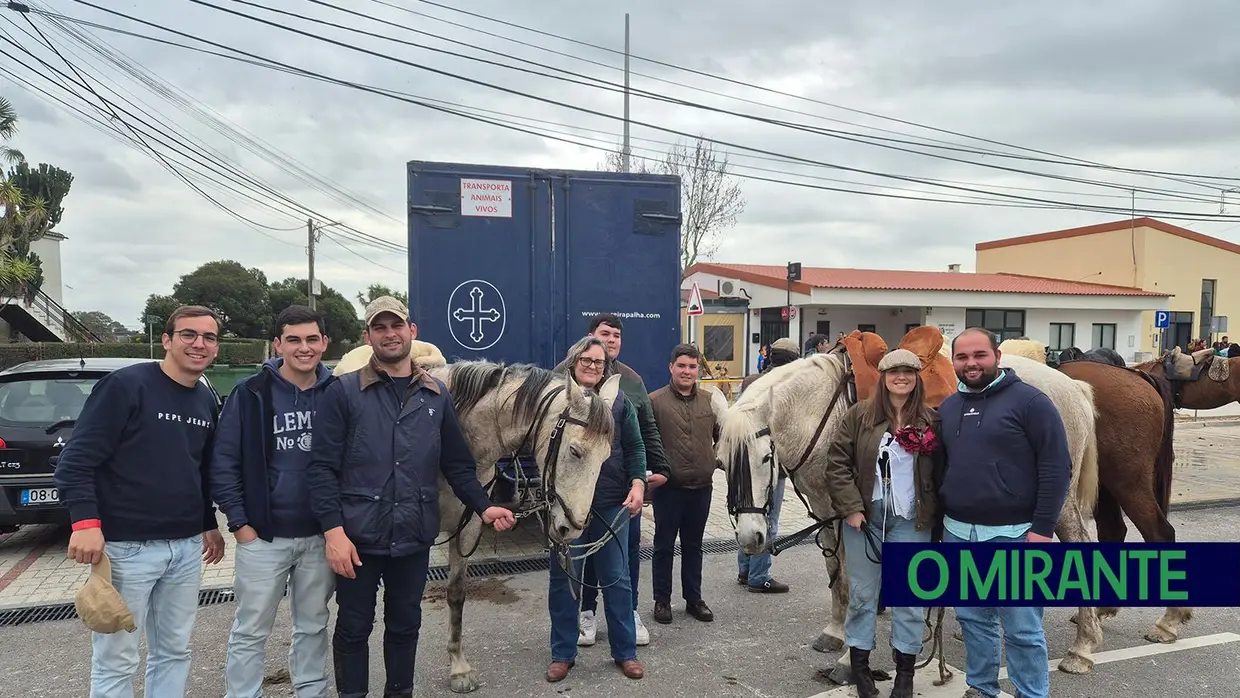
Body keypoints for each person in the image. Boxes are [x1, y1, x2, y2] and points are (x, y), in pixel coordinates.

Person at [307, 296, 516, 698]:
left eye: (396, 325)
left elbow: (458, 465)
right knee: (353, 628)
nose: (390, 334)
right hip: (357, 538)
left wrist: (485, 505)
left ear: (412, 332)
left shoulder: (436, 395)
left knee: (405, 626)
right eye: (380, 328)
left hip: (413, 536)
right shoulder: (343, 392)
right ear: (368, 336)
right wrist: (333, 531)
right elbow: (321, 469)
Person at [53, 304, 228, 698]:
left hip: (185, 550)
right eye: (188, 334)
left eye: (209, 337)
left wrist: (207, 523)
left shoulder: (204, 399)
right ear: (167, 340)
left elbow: (197, 470)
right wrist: (85, 523)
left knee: (174, 651)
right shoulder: (126, 386)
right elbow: (75, 461)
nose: (199, 343)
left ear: (216, 348)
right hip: (127, 547)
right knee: (117, 659)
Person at [210, 305, 336, 698]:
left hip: (321, 536)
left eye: (312, 339)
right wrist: (241, 525)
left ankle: (311, 691)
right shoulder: (250, 394)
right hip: (263, 537)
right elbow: (224, 461)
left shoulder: (339, 392)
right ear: (278, 344)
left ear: (324, 343)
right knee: (250, 629)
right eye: (294, 340)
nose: (304, 348)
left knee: (314, 624)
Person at [939, 328, 1071, 698]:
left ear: (996, 356)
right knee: (972, 620)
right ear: (954, 361)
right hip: (959, 533)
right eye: (963, 357)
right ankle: (981, 688)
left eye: (979, 355)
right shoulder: (950, 407)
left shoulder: (1031, 402)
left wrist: (1042, 529)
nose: (971, 364)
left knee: (1023, 629)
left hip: (1014, 534)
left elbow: (1057, 467)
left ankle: (1031, 693)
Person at [822, 349, 944, 698]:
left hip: (912, 519)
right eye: (894, 371)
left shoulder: (931, 421)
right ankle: (860, 667)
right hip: (866, 520)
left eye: (908, 371)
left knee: (909, 596)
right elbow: (838, 464)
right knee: (862, 595)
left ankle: (904, 673)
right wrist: (851, 508)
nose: (900, 377)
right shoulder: (859, 416)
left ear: (917, 377)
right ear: (883, 377)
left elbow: (940, 472)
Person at [554, 312, 670, 648]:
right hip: (574, 495)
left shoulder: (629, 383)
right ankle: (584, 615)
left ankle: (627, 619)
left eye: (616, 335)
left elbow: (642, 431)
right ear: (587, 343)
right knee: (570, 568)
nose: (611, 340)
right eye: (605, 334)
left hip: (614, 493)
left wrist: (649, 474)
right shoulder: (559, 382)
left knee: (622, 562)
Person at [546, 336, 647, 682]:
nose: (592, 366)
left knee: (617, 579)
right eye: (586, 360)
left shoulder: (619, 403)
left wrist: (638, 484)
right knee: (564, 581)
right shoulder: (557, 402)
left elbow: (635, 448)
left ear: (606, 368)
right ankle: (562, 653)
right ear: (573, 363)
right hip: (568, 506)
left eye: (599, 362)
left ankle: (625, 652)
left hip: (609, 502)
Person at [648, 344, 720, 624]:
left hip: (702, 487)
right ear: (671, 368)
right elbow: (648, 443)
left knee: (694, 546)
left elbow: (720, 435)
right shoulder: (655, 402)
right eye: (682, 366)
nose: (687, 371)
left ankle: (694, 599)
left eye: (692, 366)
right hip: (669, 489)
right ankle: (662, 601)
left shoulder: (709, 401)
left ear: (698, 370)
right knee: (663, 546)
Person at [735, 336, 799, 593]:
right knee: (767, 519)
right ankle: (759, 576)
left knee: (748, 514)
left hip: (746, 463)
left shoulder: (751, 381)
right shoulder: (788, 386)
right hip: (770, 464)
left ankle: (744, 569)